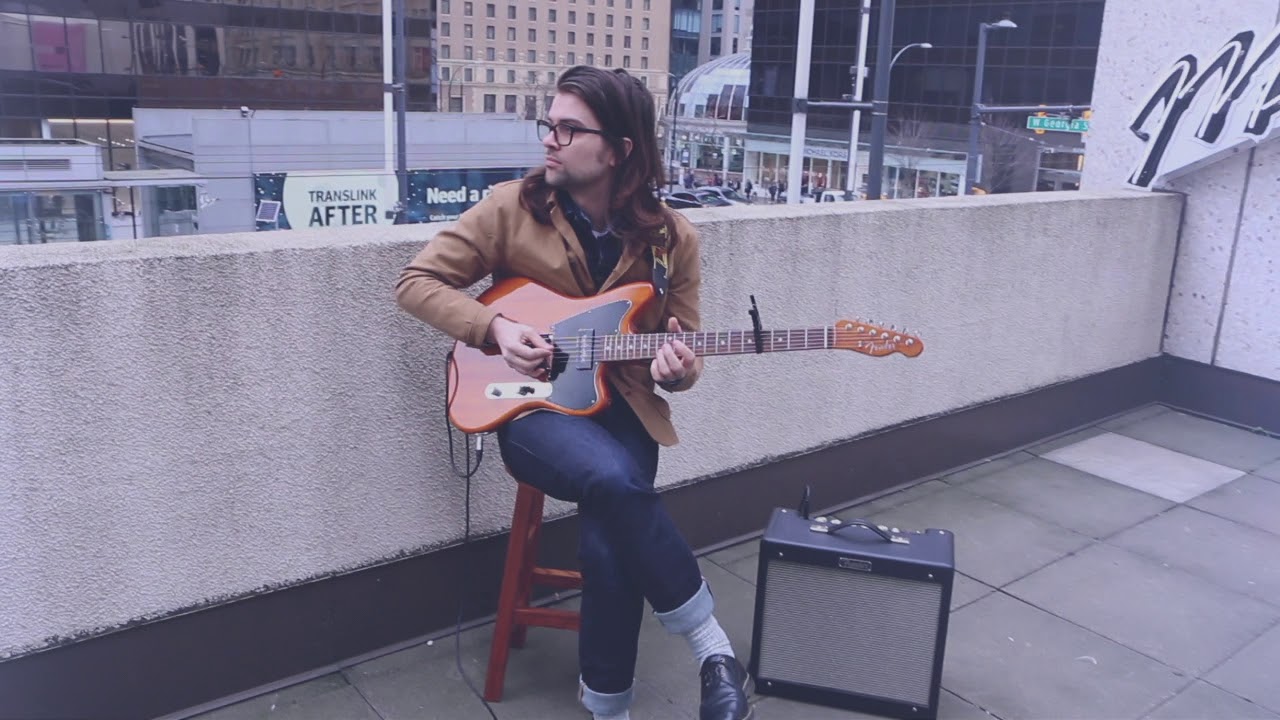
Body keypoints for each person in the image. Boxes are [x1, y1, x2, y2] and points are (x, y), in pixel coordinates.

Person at [394, 66, 751, 720]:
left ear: (619, 150)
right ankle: (713, 649)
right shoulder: (511, 208)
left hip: (624, 407)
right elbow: (415, 282)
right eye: (548, 125)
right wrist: (495, 326)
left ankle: (606, 706)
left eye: (568, 129)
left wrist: (679, 369)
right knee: (616, 482)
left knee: (609, 540)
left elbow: (687, 346)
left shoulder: (673, 239)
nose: (550, 141)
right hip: (529, 409)